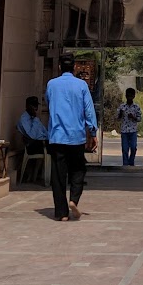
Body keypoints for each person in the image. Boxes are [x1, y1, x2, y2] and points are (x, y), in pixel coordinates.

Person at [45, 52, 97, 221]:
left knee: (58, 176)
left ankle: (61, 213)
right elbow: (89, 110)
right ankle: (73, 199)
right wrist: (93, 132)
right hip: (76, 137)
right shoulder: (81, 85)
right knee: (78, 169)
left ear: (60, 67)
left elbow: (48, 103)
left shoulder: (51, 84)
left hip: (57, 136)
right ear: (74, 67)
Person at [16, 95, 47, 165]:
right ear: (27, 106)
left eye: (36, 106)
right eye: (33, 106)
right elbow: (32, 136)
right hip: (32, 145)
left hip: (42, 142)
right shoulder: (23, 120)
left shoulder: (35, 119)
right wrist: (35, 119)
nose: (36, 108)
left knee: (59, 147)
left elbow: (45, 132)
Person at [116, 88, 141, 167]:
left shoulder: (136, 107)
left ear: (133, 96)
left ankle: (131, 161)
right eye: (128, 96)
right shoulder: (122, 106)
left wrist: (133, 117)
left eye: (131, 96)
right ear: (126, 96)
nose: (129, 98)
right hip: (124, 131)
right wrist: (120, 114)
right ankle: (125, 164)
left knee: (133, 147)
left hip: (133, 130)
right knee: (125, 148)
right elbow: (117, 118)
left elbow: (139, 118)